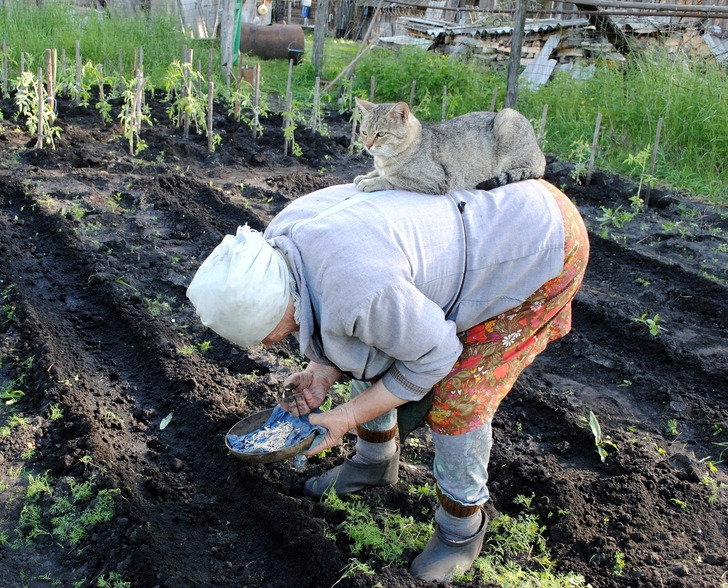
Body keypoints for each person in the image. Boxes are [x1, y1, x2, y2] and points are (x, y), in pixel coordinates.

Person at [186, 178, 589, 582]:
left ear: (273, 306)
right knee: (386, 341)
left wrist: (346, 417)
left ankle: (461, 528)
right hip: (469, 235)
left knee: (459, 396)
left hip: (540, 243)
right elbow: (355, 320)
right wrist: (320, 372)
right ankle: (374, 463)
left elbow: (433, 356)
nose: (267, 344)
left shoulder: (362, 293)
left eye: (264, 335)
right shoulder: (280, 247)